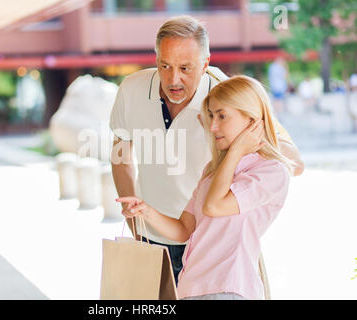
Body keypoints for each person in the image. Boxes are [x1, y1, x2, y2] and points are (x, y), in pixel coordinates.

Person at [109, 15, 304, 286]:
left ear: (205, 64)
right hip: (152, 235)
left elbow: (293, 160)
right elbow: (121, 155)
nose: (173, 79)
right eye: (165, 65)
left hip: (214, 249)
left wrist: (238, 141)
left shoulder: (226, 95)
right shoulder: (131, 90)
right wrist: (135, 223)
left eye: (186, 68)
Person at [117, 75, 292, 300]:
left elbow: (214, 206)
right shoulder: (213, 171)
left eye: (222, 115)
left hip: (228, 288)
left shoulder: (270, 172)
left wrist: (237, 150)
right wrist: (145, 210)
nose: (212, 126)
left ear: (252, 120)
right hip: (191, 289)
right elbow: (183, 229)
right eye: (210, 115)